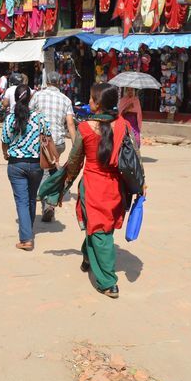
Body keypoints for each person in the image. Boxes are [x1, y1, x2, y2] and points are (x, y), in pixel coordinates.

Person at [65, 83, 138, 298]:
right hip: (115, 187)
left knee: (100, 232)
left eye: (90, 99)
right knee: (101, 228)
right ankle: (88, 257)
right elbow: (134, 156)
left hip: (93, 186)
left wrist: (65, 181)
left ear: (97, 105)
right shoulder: (123, 125)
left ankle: (108, 282)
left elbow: (74, 159)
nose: (88, 102)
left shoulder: (85, 128)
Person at [1, 85, 50, 251]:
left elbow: (5, 139)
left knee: (22, 201)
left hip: (16, 164)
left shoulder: (10, 118)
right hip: (37, 164)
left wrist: (5, 153)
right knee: (30, 198)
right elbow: (47, 137)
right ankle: (28, 229)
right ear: (30, 98)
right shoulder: (39, 117)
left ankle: (26, 238)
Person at [30, 71, 77, 222]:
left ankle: (47, 203)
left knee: (44, 170)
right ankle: (49, 200)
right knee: (50, 170)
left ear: (47, 81)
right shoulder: (66, 100)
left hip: (41, 140)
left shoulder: (38, 95)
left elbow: (30, 114)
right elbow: (70, 123)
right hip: (58, 142)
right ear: (59, 83)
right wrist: (76, 144)